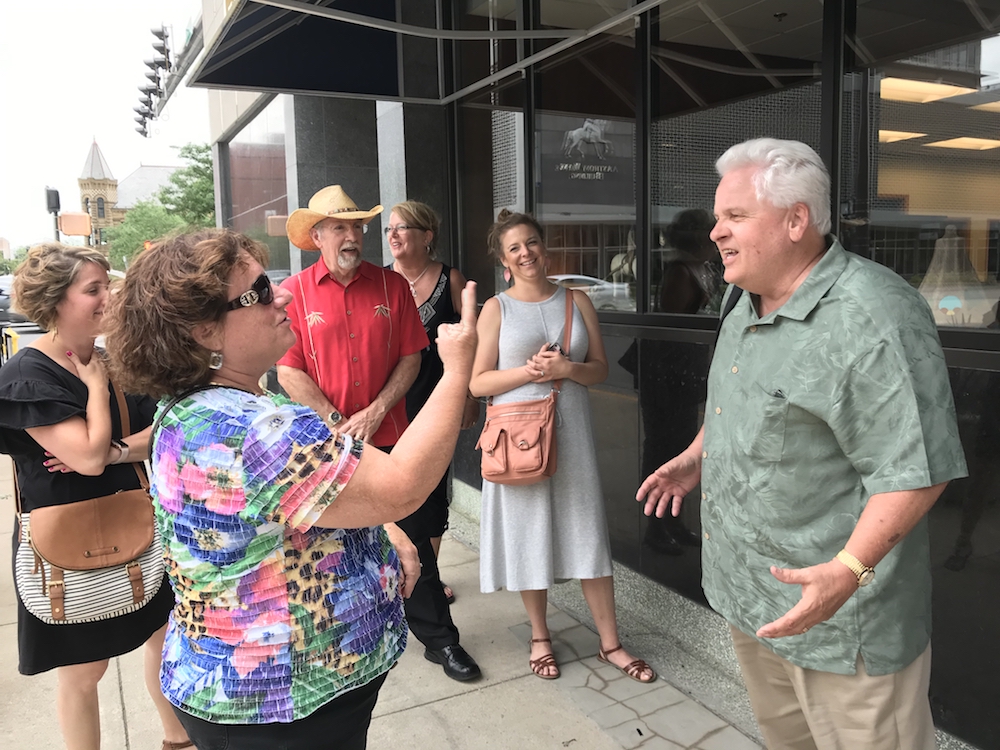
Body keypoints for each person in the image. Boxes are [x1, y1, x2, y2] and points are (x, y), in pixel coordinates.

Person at [636, 138, 968, 750]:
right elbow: (746, 400)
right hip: (754, 597)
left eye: (735, 216)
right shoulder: (745, 295)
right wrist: (695, 458)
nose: (715, 232)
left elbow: (918, 468)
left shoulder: (874, 315)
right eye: (718, 217)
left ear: (797, 221)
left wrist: (847, 570)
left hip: (844, 625)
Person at [102, 229, 479, 750]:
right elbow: (403, 485)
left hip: (250, 692)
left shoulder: (192, 407)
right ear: (206, 332)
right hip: (284, 704)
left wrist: (379, 526)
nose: (281, 295)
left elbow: (293, 503)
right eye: (257, 293)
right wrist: (459, 367)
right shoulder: (257, 429)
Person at [277, 185, 482, 682]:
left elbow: (412, 356)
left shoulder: (392, 288)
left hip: (390, 435)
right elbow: (287, 370)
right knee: (327, 547)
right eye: (339, 227)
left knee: (412, 535)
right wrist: (334, 419)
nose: (352, 236)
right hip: (323, 441)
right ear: (317, 235)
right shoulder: (294, 292)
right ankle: (348, 640)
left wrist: (375, 411)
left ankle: (440, 641)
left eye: (357, 226)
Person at [0, 243, 190, 750]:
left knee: (165, 641)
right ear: (55, 301)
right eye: (93, 289)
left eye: (108, 284)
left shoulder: (114, 361)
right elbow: (84, 459)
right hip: (66, 549)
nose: (109, 296)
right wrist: (94, 392)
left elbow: (168, 427)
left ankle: (177, 740)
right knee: (85, 672)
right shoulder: (27, 375)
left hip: (138, 530)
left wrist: (113, 450)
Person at [470, 210, 655, 683]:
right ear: (503, 258)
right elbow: (478, 382)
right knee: (529, 533)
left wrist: (567, 370)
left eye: (531, 242)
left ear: (543, 246)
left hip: (571, 436)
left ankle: (610, 643)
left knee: (586, 532)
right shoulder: (498, 308)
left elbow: (599, 370)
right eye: (515, 247)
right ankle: (539, 636)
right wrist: (529, 373)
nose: (526, 252)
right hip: (518, 438)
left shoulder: (575, 300)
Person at [386, 200, 480, 606]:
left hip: (437, 399)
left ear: (427, 236)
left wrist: (471, 393)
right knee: (390, 489)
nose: (393, 235)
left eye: (403, 227)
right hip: (389, 404)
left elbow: (471, 340)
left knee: (432, 489)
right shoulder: (381, 281)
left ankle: (429, 575)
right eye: (389, 228)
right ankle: (397, 570)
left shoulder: (450, 279)